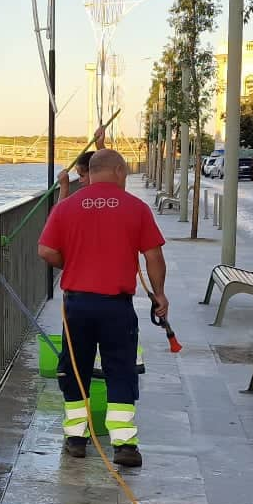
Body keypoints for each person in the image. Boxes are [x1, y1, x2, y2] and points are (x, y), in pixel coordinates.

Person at [37, 148, 167, 470]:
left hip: (77, 304)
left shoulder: (67, 207)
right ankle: (124, 445)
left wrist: (70, 263)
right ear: (120, 171)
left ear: (91, 173)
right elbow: (153, 256)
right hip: (116, 306)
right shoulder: (135, 208)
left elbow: (46, 250)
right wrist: (159, 295)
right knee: (120, 369)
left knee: (75, 370)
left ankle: (76, 440)